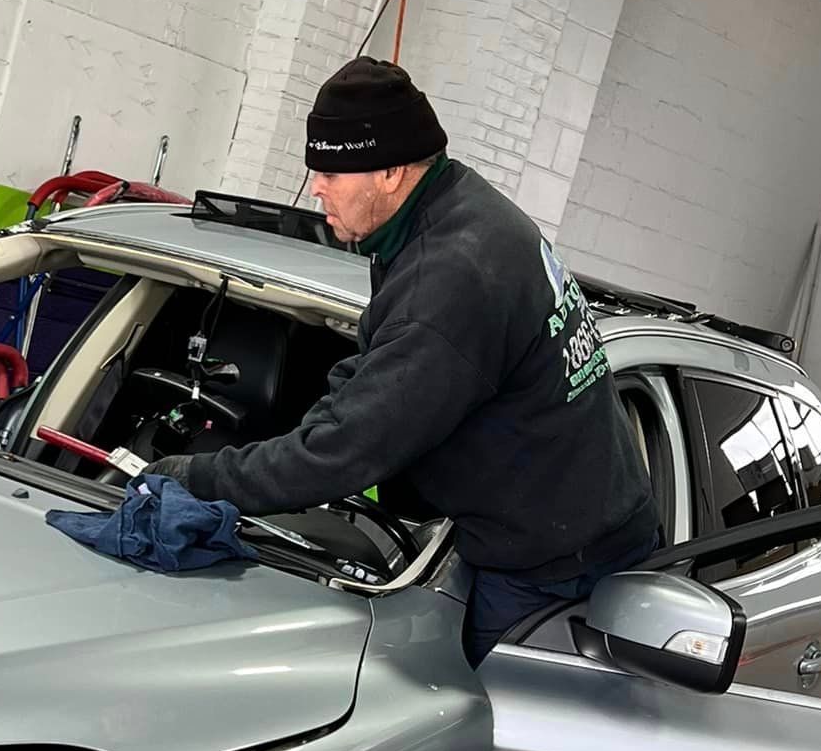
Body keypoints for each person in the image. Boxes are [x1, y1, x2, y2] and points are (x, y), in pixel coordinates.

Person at [154, 59, 659, 663]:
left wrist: (196, 478)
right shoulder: (445, 209)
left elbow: (345, 452)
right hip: (566, 514)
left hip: (552, 565)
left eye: (333, 171)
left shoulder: (452, 276)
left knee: (456, 716)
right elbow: (375, 360)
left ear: (391, 170)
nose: (317, 186)